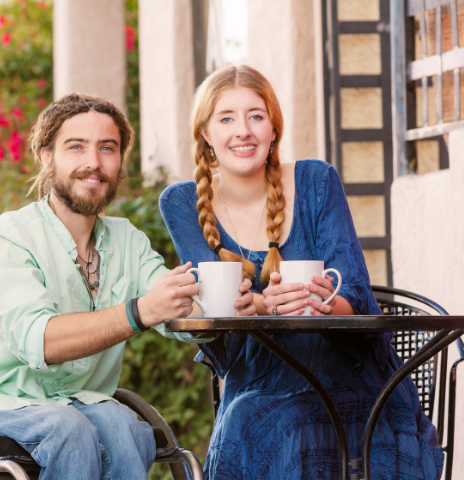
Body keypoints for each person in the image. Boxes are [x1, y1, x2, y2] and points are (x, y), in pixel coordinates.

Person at [0, 92, 256, 480]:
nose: (93, 163)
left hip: (77, 403)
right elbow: (41, 340)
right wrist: (140, 311)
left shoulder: (126, 240)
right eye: (76, 147)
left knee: (126, 428)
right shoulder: (1, 238)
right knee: (69, 431)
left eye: (107, 148)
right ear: (47, 156)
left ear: (120, 161)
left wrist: (226, 306)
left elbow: (175, 308)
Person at [159, 65, 443, 479]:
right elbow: (214, 299)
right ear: (205, 133)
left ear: (274, 128)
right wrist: (265, 306)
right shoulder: (182, 202)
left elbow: (357, 294)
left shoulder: (316, 180)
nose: (243, 130)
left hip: (351, 376)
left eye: (256, 116)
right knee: (258, 418)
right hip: (260, 378)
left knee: (295, 421)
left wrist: (322, 302)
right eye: (226, 118)